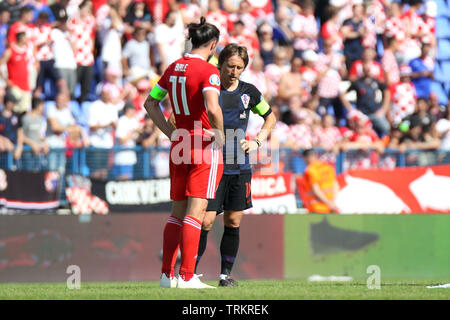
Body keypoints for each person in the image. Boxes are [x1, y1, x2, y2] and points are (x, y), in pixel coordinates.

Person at [144, 17, 224, 289]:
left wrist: (169, 132)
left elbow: (150, 102)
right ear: (212, 44)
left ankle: (167, 275)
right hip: (202, 144)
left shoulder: (173, 68)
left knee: (176, 212)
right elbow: (213, 108)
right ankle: (188, 276)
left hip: (179, 144)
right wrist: (221, 134)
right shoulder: (209, 71)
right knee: (196, 211)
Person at [194, 43, 276, 287]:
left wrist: (258, 141)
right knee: (205, 220)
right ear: (220, 64)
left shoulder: (249, 92)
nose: (234, 71)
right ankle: (189, 274)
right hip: (212, 164)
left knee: (233, 222)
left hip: (239, 167)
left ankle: (224, 275)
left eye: (239, 67)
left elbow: (270, 117)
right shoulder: (209, 89)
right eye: (230, 66)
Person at [301, 148, 340, 213]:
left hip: (317, 207)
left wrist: (328, 203)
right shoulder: (328, 167)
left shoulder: (310, 170)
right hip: (332, 206)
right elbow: (336, 185)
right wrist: (333, 202)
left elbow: (316, 190)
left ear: (305, 158)